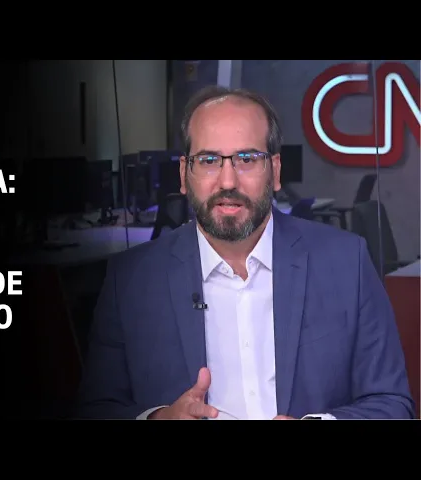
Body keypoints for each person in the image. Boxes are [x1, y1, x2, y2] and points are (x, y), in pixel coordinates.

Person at [75, 85, 414, 420]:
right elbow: (95, 408)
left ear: (275, 171)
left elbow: (391, 403)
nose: (227, 181)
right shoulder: (130, 280)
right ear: (184, 174)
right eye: (208, 160)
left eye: (247, 159)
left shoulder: (346, 263)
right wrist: (157, 419)